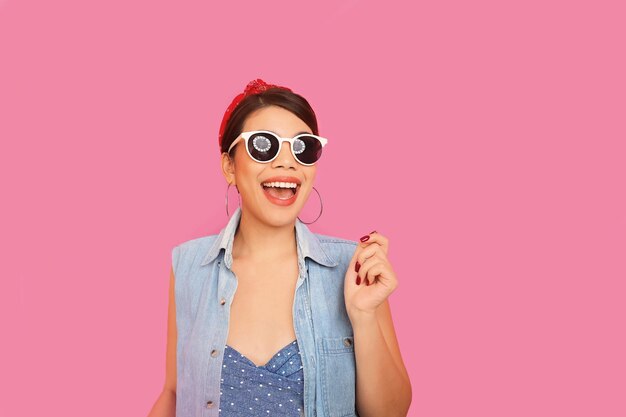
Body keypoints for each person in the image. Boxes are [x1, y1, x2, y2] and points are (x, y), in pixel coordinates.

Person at [148, 79, 412, 417]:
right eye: (264, 145)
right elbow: (173, 393)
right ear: (229, 165)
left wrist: (363, 316)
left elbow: (390, 413)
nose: (287, 163)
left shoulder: (354, 268)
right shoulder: (187, 265)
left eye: (303, 148)